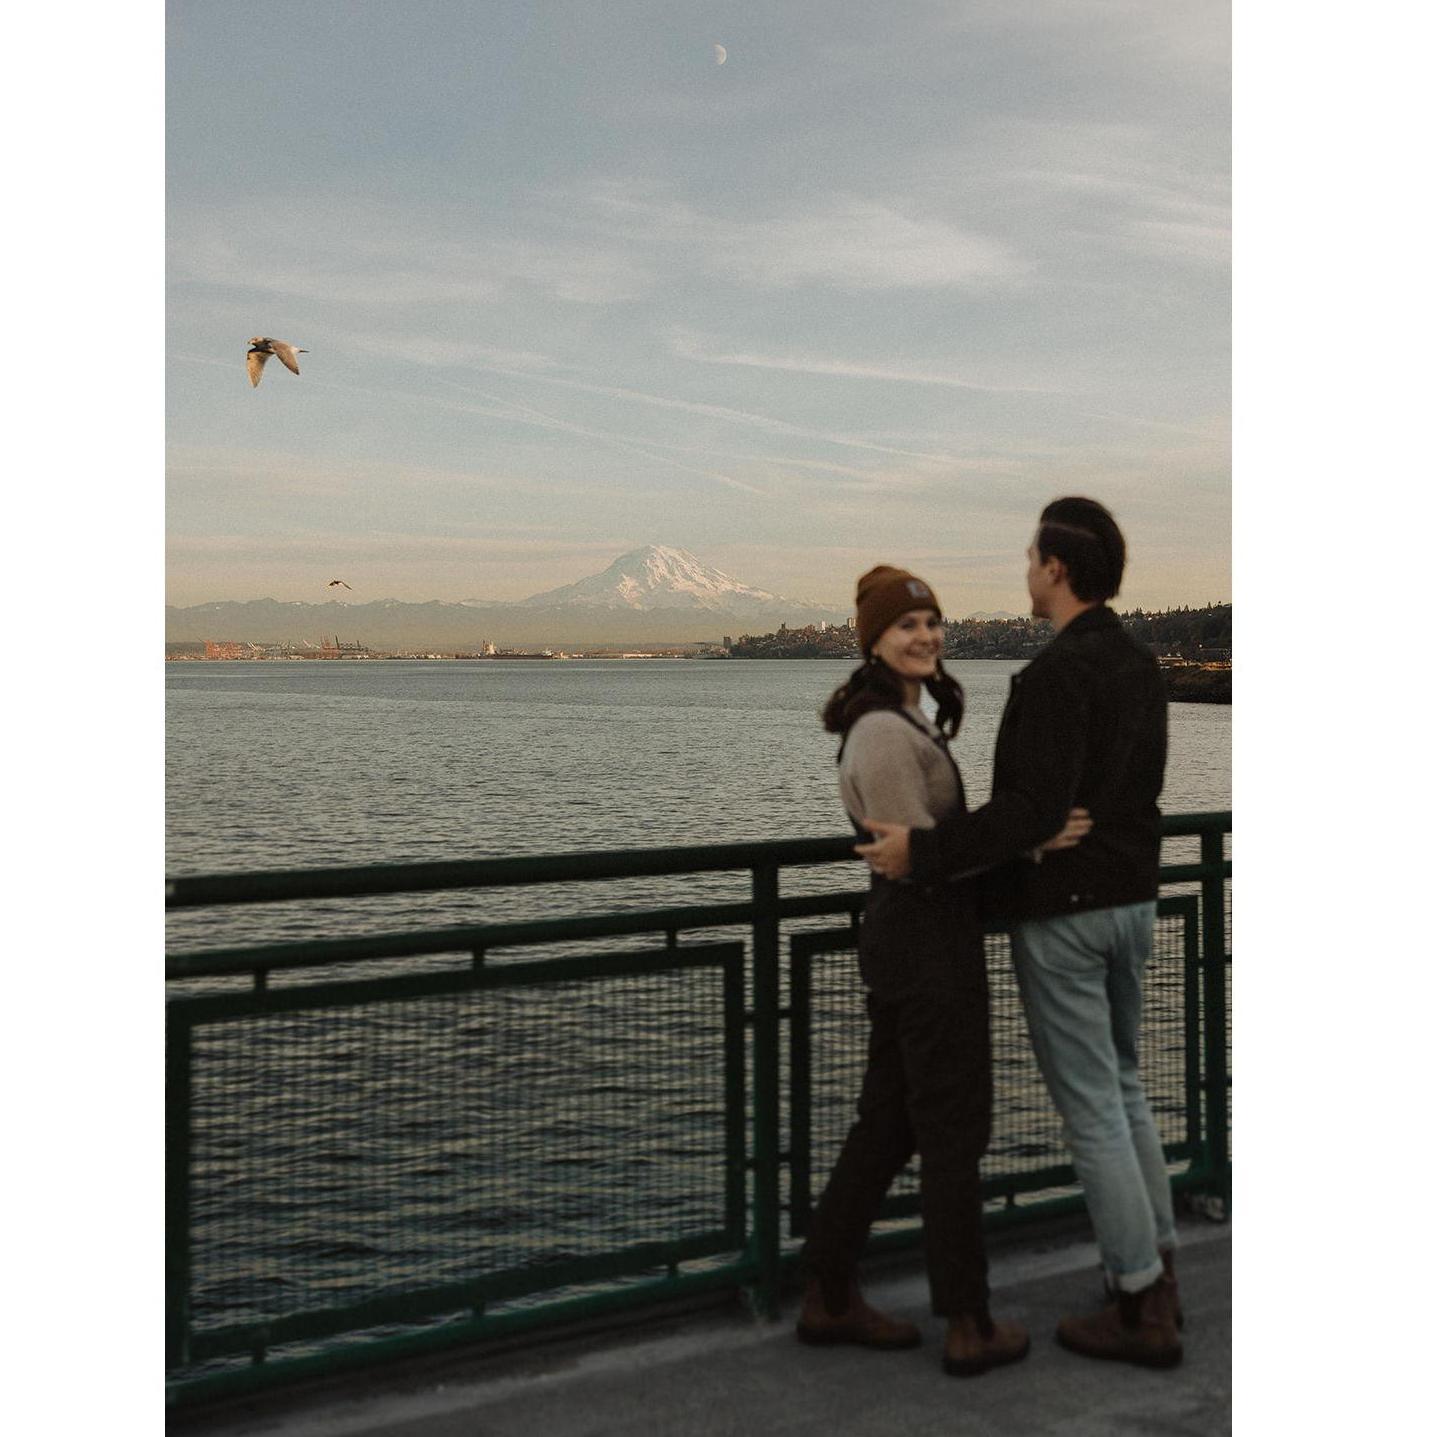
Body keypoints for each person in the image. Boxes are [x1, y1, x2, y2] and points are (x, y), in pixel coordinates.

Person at [857, 498, 1182, 1369]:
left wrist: (921, 851)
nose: (1024, 568)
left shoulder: (1050, 679)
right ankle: (1159, 1271)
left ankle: (1137, 1294)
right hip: (1133, 900)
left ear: (1057, 570)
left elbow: (1026, 813)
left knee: (1091, 1110)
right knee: (1123, 1087)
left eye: (1030, 556)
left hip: (1068, 912)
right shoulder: (1140, 666)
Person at [795, 564, 1091, 1378]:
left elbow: (932, 852)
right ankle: (966, 1318)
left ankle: (826, 1291)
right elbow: (918, 858)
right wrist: (1024, 836)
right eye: (906, 625)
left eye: (931, 621)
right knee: (953, 1132)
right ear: (874, 641)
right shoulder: (885, 733)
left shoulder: (897, 717)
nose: (925, 635)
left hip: (913, 942)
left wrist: (1022, 841)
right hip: (926, 948)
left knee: (889, 1125)